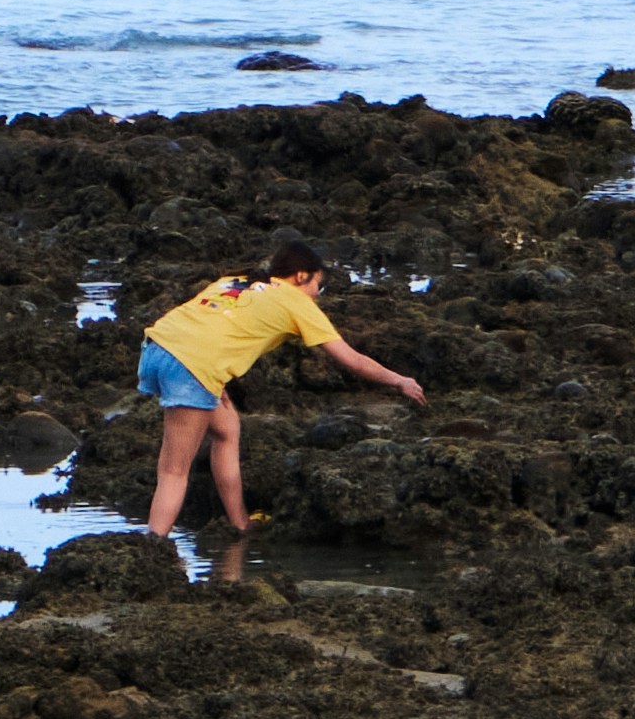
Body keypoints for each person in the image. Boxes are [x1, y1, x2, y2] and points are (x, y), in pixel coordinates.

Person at [135, 238, 427, 585]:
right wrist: (399, 381)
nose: (319, 294)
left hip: (156, 349)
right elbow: (352, 359)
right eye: (319, 284)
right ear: (301, 275)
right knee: (173, 471)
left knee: (227, 430)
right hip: (190, 365)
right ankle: (150, 554)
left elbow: (210, 324)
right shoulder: (296, 303)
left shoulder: (236, 280)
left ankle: (240, 523)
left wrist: (214, 381)